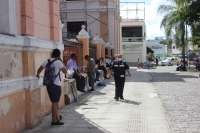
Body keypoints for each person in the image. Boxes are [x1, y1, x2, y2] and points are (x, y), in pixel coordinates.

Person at [36, 49, 67, 126]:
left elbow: (39, 69)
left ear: (52, 54)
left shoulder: (47, 61)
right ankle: (54, 121)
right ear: (59, 55)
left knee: (54, 102)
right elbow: (65, 71)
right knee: (54, 102)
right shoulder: (58, 62)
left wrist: (38, 74)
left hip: (48, 84)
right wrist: (61, 61)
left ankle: (57, 118)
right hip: (56, 85)